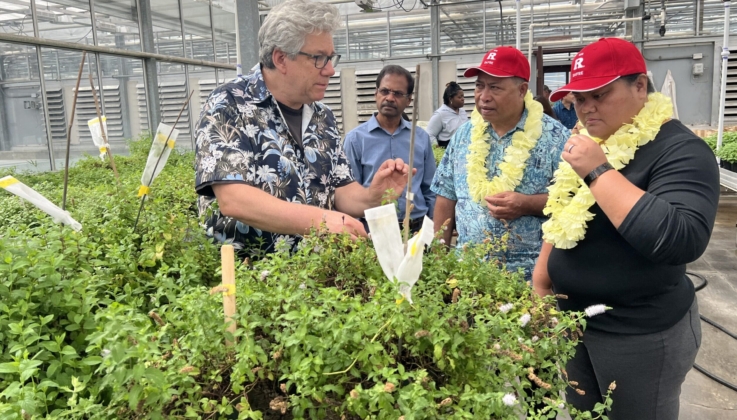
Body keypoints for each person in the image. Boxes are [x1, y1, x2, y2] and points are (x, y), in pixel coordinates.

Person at [533, 38, 719, 419]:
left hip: (639, 334)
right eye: (580, 99)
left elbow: (679, 239)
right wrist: (542, 279)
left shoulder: (679, 149)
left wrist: (598, 171)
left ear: (639, 86)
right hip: (575, 323)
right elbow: (561, 215)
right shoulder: (592, 142)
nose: (587, 109)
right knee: (584, 412)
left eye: (600, 94)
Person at [194, 0, 413, 257]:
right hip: (248, 284)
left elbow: (340, 190)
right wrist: (321, 220)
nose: (330, 70)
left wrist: (373, 196)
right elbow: (234, 200)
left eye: (330, 58)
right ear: (281, 58)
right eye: (319, 58)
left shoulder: (323, 117)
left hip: (318, 280)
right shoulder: (229, 103)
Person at [431, 46, 569, 280]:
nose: (483, 96)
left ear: (521, 90)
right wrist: (438, 263)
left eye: (494, 87)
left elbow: (573, 202)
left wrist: (527, 204)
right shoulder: (464, 135)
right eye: (479, 86)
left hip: (531, 278)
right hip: (466, 274)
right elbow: (446, 196)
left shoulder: (556, 137)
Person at [344, 65, 436, 233]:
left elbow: (430, 189)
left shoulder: (420, 137)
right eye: (384, 91)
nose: (390, 98)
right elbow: (349, 191)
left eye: (398, 94)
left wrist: (432, 229)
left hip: (417, 227)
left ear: (409, 100)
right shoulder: (355, 140)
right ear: (376, 93)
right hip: (375, 230)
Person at [426, 81, 469, 148]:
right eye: (459, 97)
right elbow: (430, 134)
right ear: (450, 99)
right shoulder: (440, 114)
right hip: (447, 148)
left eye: (463, 96)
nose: (463, 99)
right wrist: (438, 150)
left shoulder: (463, 112)